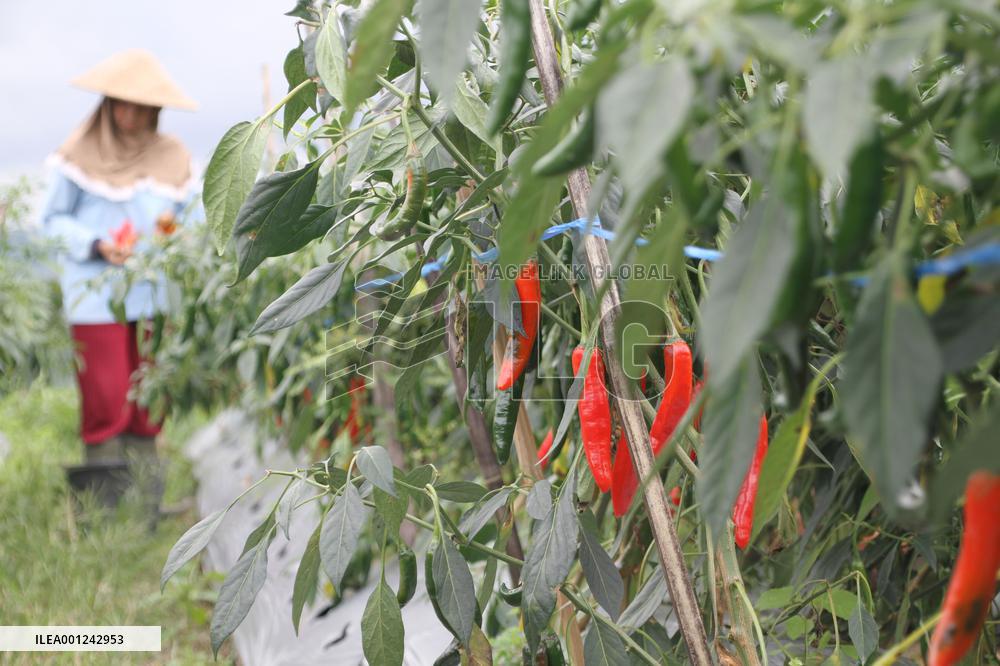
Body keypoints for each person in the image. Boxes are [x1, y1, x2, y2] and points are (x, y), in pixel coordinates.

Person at [40, 49, 197, 516]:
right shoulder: (79, 156)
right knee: (107, 396)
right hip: (96, 298)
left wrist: (173, 234)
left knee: (150, 394)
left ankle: (146, 507)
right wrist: (96, 244)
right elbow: (52, 221)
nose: (131, 115)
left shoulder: (172, 156)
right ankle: (103, 510)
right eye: (122, 104)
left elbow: (192, 215)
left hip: (155, 294)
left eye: (141, 106)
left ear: (155, 110)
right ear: (107, 105)